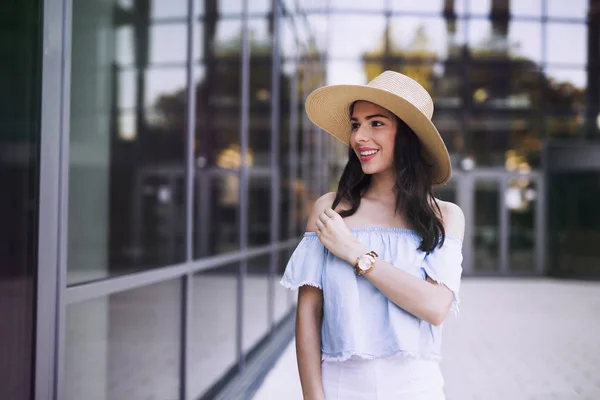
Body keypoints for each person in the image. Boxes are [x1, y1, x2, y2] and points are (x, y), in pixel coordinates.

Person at [280, 70, 465, 400]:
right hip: (340, 387)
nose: (359, 137)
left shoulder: (445, 216)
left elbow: (435, 307)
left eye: (376, 123)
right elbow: (308, 313)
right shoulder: (329, 209)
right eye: (355, 124)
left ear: (407, 135)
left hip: (417, 388)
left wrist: (355, 253)